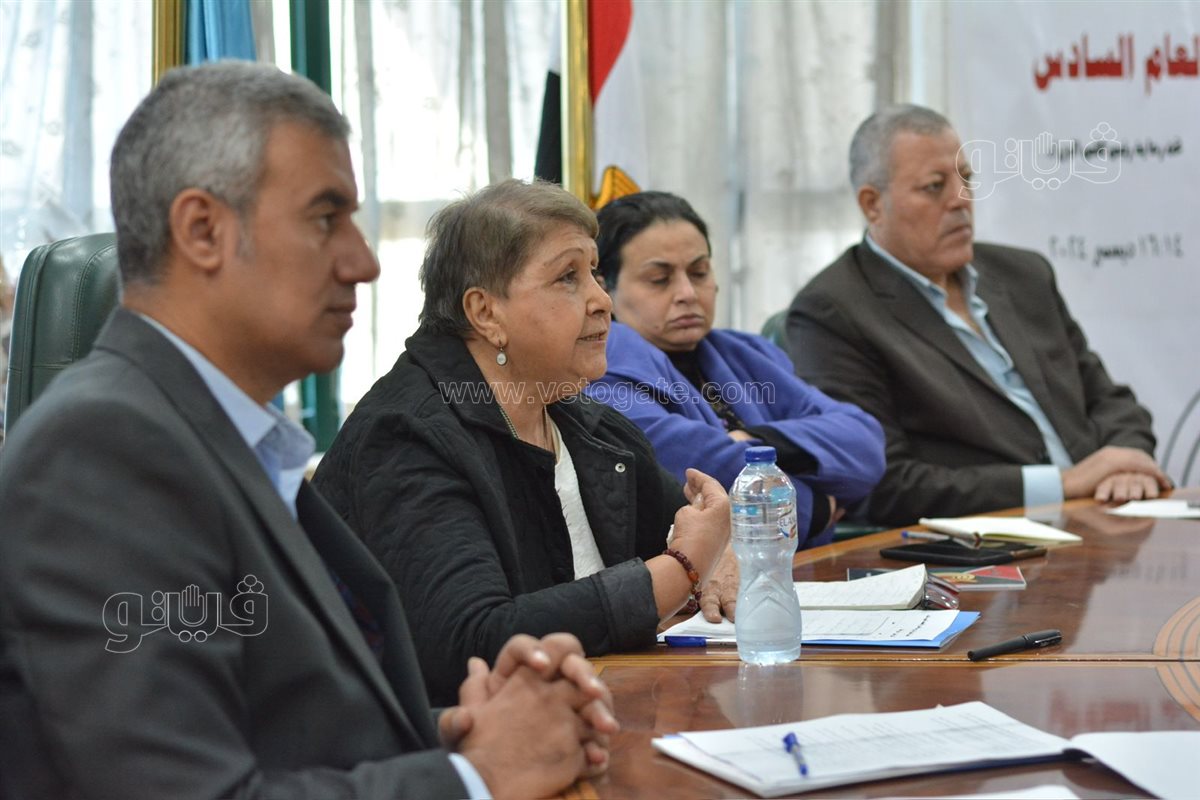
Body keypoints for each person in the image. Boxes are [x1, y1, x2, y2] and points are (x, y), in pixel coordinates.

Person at [0, 62, 616, 800]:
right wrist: (472, 776)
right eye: (326, 218)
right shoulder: (105, 451)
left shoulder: (225, 436)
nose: (363, 262)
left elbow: (277, 726)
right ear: (203, 230)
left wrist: (455, 733)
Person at [313, 179, 734, 706]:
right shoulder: (406, 436)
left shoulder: (587, 425)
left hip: (596, 715)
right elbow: (473, 644)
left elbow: (701, 538)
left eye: (595, 273)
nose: (602, 301)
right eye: (567, 278)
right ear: (486, 313)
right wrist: (684, 569)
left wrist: (720, 557)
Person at [785, 104, 1170, 527]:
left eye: (966, 179)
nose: (962, 200)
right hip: (995, 541)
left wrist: (1127, 464)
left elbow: (1108, 400)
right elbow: (881, 481)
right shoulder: (833, 311)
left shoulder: (1024, 275)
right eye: (935, 187)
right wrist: (1062, 483)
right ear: (873, 204)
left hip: (1107, 512)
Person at [586, 191, 886, 548]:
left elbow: (865, 442)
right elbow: (693, 467)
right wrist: (818, 507)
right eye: (659, 279)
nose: (687, 293)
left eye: (699, 272)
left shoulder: (748, 352)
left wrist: (755, 441)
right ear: (604, 288)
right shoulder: (599, 368)